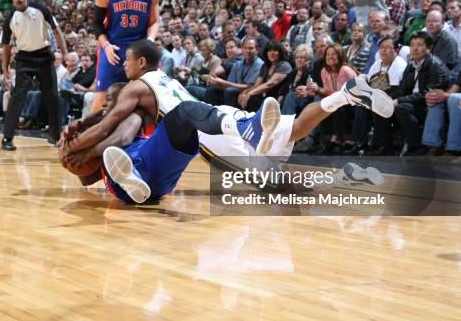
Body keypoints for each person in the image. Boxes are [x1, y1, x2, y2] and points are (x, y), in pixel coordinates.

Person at [62, 40, 394, 203]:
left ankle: (345, 181)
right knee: (293, 127)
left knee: (272, 188)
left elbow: (110, 126)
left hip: (206, 133)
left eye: (129, 63)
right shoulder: (168, 80)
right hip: (218, 115)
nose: (126, 68)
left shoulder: (136, 86)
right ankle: (344, 97)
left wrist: (74, 147)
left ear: (142, 63)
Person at [90, 0, 161, 110]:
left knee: (152, 95)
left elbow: (154, 21)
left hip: (140, 48)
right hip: (113, 47)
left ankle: (149, 136)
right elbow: (97, 23)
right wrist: (106, 46)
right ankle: (87, 133)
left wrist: (149, 41)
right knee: (102, 98)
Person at [0, 0, 68, 150]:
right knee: (17, 97)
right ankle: (7, 138)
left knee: (52, 96)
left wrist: (65, 52)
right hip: (24, 59)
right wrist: (5, 69)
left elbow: (57, 31)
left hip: (44, 56)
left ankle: (55, 135)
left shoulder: (41, 9)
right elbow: (6, 47)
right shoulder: (9, 18)